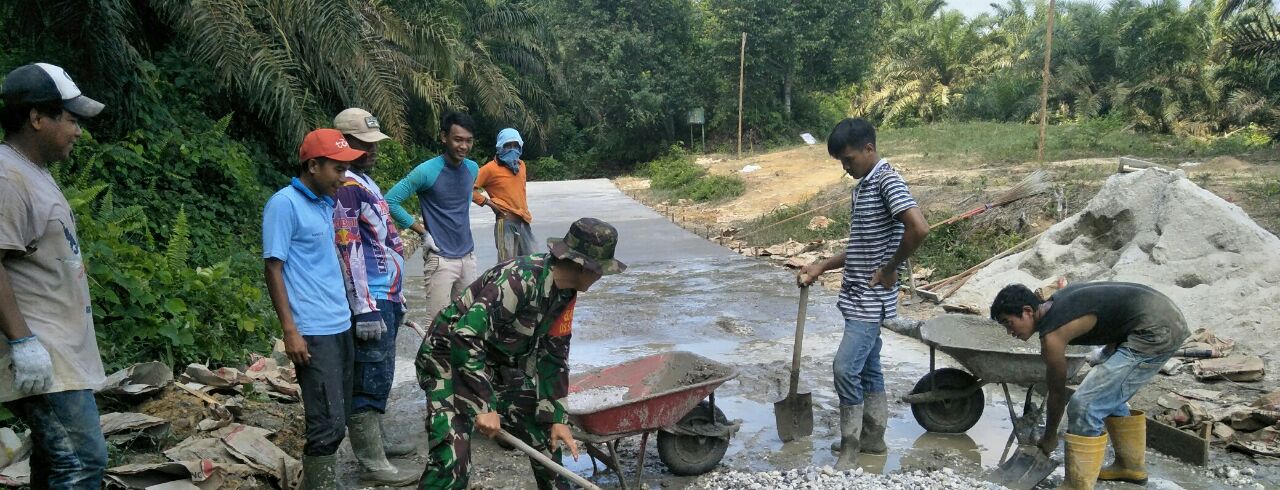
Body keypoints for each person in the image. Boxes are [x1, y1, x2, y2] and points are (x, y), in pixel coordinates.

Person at [416, 217, 626, 490]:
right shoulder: (519, 279)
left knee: (544, 432)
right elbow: (466, 336)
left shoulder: (566, 294)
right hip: (447, 359)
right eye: (599, 270)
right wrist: (484, 406)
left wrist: (556, 417)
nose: (600, 277)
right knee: (452, 462)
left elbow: (554, 356)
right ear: (581, 264)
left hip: (493, 363)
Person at [796, 118, 928, 467]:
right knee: (869, 369)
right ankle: (874, 441)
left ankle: (851, 446)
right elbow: (860, 247)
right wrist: (823, 265)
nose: (846, 167)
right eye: (841, 162)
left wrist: (889, 268)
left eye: (849, 160)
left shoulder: (886, 180)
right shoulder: (865, 185)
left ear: (869, 149)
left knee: (844, 368)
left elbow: (919, 228)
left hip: (870, 301)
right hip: (857, 295)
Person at [0, 62, 108, 489]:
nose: (78, 131)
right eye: (71, 119)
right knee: (82, 463)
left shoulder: (30, 173)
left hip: (58, 355)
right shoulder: (8, 177)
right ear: (36, 117)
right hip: (44, 353)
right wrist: (24, 342)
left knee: (58, 463)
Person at [990, 282, 1189, 489]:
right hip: (1152, 317)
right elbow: (1112, 310)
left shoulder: (1053, 336)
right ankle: (1129, 466)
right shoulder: (1054, 305)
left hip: (1156, 329)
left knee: (1085, 404)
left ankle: (1077, 486)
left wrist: (1049, 438)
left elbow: (1057, 392)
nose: (1008, 331)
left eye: (1008, 323)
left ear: (1027, 311)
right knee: (1105, 392)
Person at [262, 128, 365, 489]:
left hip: (339, 323)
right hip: (313, 330)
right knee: (326, 423)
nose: (343, 177)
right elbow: (273, 268)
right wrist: (291, 331)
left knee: (340, 415)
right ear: (313, 165)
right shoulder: (284, 204)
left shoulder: (326, 203)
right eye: (337, 169)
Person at [330, 108, 418, 485]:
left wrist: (397, 295)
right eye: (365, 145)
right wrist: (364, 308)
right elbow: (348, 248)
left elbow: (384, 239)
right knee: (369, 372)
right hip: (371, 297)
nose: (373, 151)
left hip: (387, 293)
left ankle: (377, 440)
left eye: (373, 145)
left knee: (382, 372)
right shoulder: (346, 188)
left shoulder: (363, 180)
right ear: (345, 144)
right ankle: (371, 462)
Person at [385, 112, 481, 320]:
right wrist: (423, 232)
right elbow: (389, 201)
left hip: (468, 257)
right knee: (437, 326)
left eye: (468, 141)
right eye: (458, 140)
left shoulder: (472, 169)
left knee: (467, 322)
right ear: (444, 137)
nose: (463, 146)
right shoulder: (426, 171)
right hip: (440, 259)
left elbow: (459, 207)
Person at [473, 128, 535, 262]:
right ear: (500, 147)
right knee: (507, 266)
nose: (512, 149)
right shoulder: (490, 169)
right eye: (507, 145)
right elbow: (468, 189)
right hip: (505, 222)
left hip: (524, 222)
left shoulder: (521, 166)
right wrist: (488, 202)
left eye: (515, 145)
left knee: (531, 263)